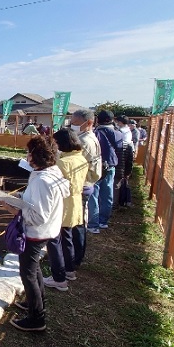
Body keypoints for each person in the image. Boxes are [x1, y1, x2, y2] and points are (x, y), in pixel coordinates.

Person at [2, 136, 69, 332]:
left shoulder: (42, 181)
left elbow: (38, 216)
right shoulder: (50, 172)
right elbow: (40, 203)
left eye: (28, 152)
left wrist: (11, 207)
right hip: (48, 230)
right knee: (35, 268)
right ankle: (35, 303)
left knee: (28, 274)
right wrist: (21, 198)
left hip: (37, 232)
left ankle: (37, 319)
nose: (26, 155)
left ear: (34, 156)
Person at [43, 128, 88, 291]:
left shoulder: (62, 163)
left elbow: (52, 185)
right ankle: (70, 270)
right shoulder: (80, 158)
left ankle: (59, 278)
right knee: (67, 238)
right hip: (75, 202)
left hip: (62, 204)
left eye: (55, 142)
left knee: (56, 242)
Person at [69, 109, 102, 254]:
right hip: (84, 184)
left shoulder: (84, 141)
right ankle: (76, 254)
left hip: (80, 186)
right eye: (71, 123)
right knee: (78, 221)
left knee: (76, 223)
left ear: (88, 123)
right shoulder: (86, 137)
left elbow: (74, 165)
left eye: (75, 123)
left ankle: (75, 256)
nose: (72, 126)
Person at [90, 110, 122, 231]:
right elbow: (119, 148)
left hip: (97, 166)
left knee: (94, 195)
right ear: (112, 119)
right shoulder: (117, 133)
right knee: (108, 194)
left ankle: (93, 224)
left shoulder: (96, 133)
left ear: (98, 119)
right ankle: (103, 221)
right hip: (111, 166)